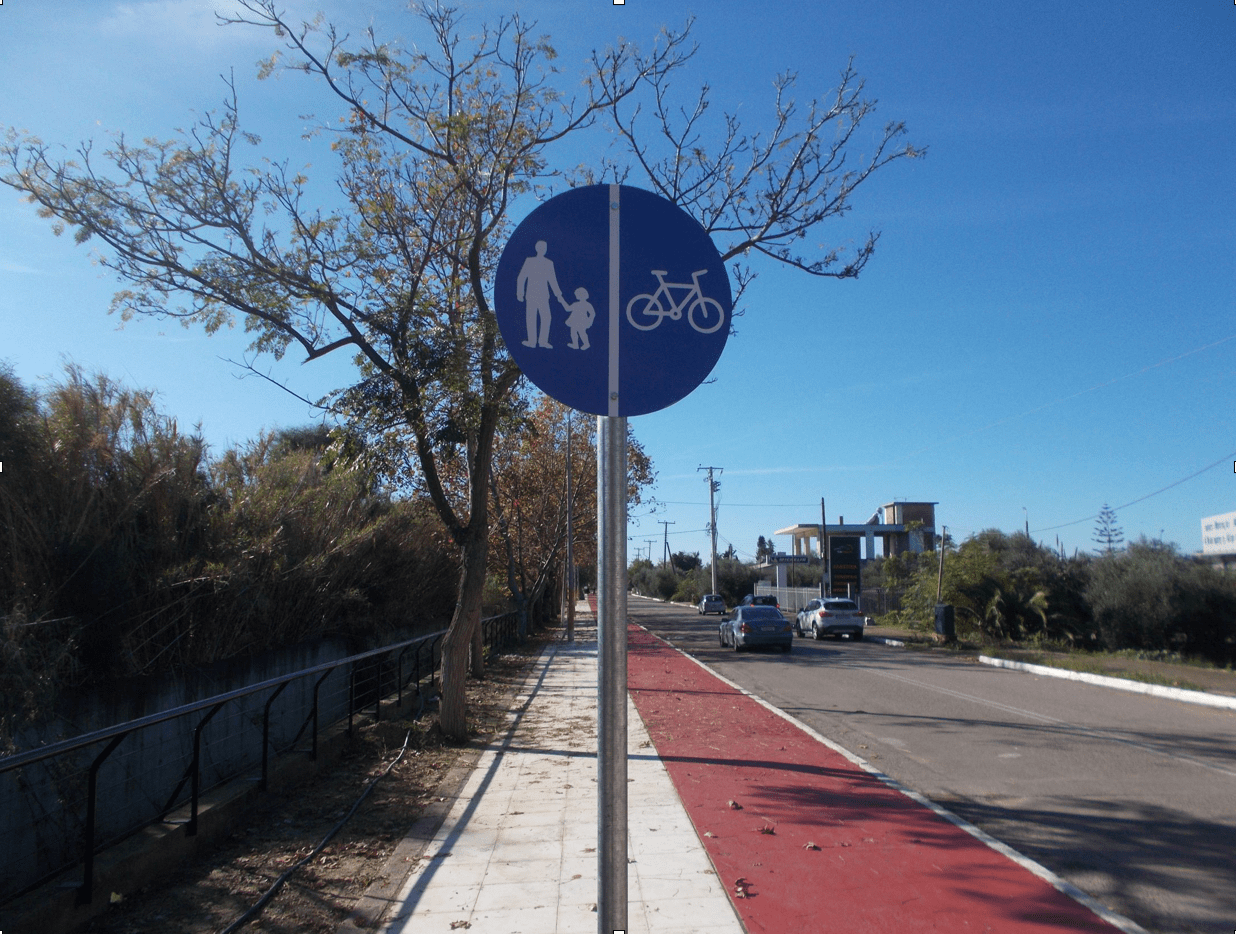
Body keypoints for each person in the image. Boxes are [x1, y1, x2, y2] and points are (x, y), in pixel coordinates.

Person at [516, 240, 564, 348]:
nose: (543, 249)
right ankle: (531, 342)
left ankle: (543, 341)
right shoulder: (529, 261)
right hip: (531, 294)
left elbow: (553, 281)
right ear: (537, 248)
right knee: (531, 317)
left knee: (547, 317)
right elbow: (522, 277)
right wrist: (520, 293)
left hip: (544, 295)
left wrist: (558, 294)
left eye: (544, 248)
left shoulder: (549, 263)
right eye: (541, 247)